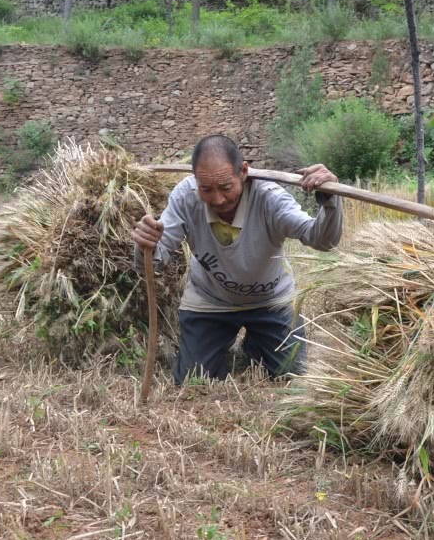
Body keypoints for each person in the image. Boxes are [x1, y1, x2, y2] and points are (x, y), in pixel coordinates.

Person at [131, 134, 342, 384]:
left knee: (294, 376)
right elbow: (153, 263)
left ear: (243, 171)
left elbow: (322, 240)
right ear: (195, 179)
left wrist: (329, 200)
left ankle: (258, 343)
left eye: (226, 187)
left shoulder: (270, 198)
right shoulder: (186, 197)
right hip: (209, 301)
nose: (218, 199)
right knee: (193, 382)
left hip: (270, 300)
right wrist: (146, 245)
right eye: (206, 189)